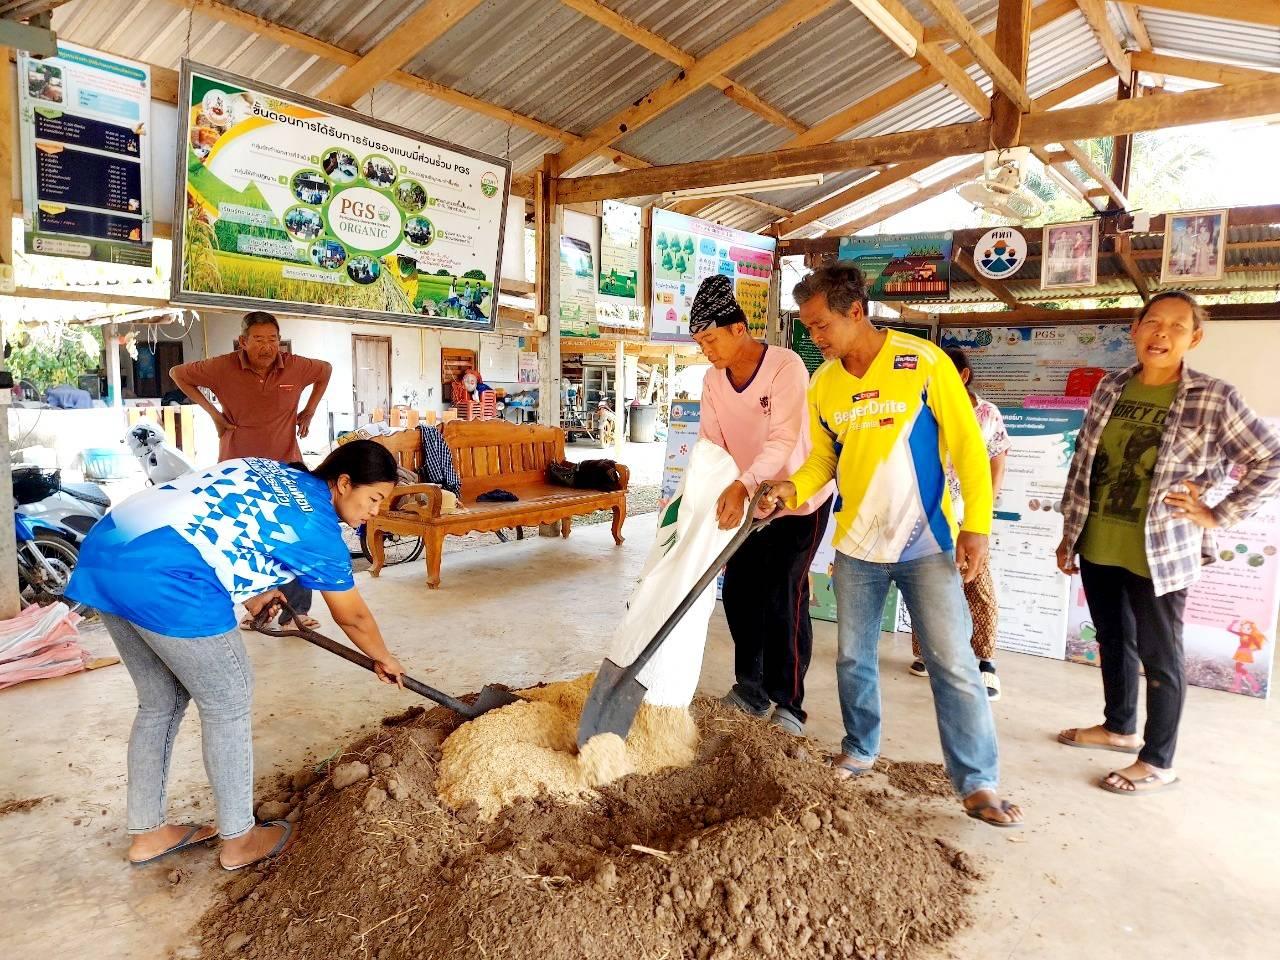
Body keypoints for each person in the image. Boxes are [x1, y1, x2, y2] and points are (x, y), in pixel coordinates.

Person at [761, 263, 1022, 828]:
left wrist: (977, 525)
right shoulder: (824, 384)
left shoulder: (922, 362)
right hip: (857, 547)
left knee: (953, 662)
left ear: (856, 312)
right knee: (854, 658)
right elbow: (823, 461)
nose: (814, 336)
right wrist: (790, 488)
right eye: (808, 326)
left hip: (926, 544)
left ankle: (977, 781)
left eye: (821, 324)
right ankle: (860, 748)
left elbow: (969, 448)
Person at [65, 440, 407, 870]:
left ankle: (148, 833)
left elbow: (223, 519)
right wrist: (384, 657)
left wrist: (256, 590)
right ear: (343, 483)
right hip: (167, 577)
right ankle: (240, 840)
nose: (376, 511)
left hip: (109, 548)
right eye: (374, 498)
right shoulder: (318, 530)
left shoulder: (272, 469)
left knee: (160, 701)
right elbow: (352, 616)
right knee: (227, 701)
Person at [1055, 291, 1280, 795]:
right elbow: (1084, 463)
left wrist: (1218, 512)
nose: (1162, 333)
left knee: (1161, 655)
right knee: (1113, 639)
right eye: (1153, 322)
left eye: (1177, 326)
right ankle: (1118, 728)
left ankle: (1158, 761)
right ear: (1135, 329)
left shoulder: (1213, 396)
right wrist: (1069, 535)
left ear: (1194, 339)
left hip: (1162, 551)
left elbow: (1270, 458)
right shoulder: (1112, 387)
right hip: (1100, 539)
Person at [689, 274, 833, 735]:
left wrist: (745, 484)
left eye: (711, 339)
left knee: (784, 595)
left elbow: (784, 439)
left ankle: (789, 703)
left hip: (798, 498)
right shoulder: (713, 380)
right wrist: (699, 495)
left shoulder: (785, 366)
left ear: (738, 328)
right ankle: (750, 690)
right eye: (699, 343)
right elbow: (711, 444)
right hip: (749, 499)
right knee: (739, 593)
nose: (706, 351)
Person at [171, 311, 333, 629]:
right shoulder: (222, 367)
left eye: (272, 339)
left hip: (286, 469)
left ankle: (296, 612)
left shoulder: (296, 366)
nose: (267, 346)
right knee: (248, 541)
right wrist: (214, 414)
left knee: (295, 537)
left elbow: (325, 370)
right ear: (243, 342)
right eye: (258, 339)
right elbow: (178, 373)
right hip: (238, 471)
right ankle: (257, 609)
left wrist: (309, 410)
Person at [908, 348, 1010, 700]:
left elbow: (997, 459)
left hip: (967, 518)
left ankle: (985, 661)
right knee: (927, 585)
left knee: (977, 586)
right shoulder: (923, 408)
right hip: (931, 515)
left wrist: (982, 512)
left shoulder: (986, 413)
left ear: (963, 376)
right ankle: (926, 653)